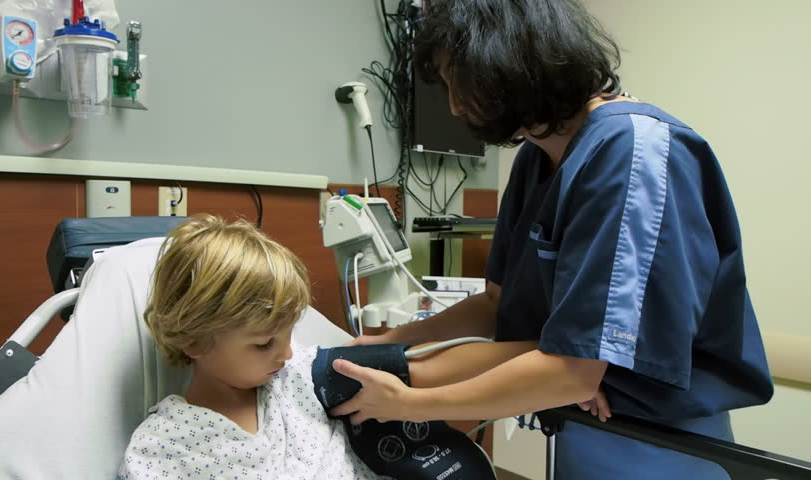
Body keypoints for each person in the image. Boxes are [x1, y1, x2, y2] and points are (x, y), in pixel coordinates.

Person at [328, 1, 774, 478]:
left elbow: (572, 370)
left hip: (657, 439)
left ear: (503, 62)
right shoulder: (536, 160)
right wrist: (390, 342)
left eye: (458, 81)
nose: (455, 105)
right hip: (578, 422)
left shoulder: (633, 155)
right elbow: (497, 306)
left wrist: (412, 403)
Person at [116, 214, 382, 479]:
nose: (287, 354)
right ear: (193, 340)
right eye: (265, 344)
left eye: (290, 333)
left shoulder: (300, 377)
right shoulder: (164, 447)